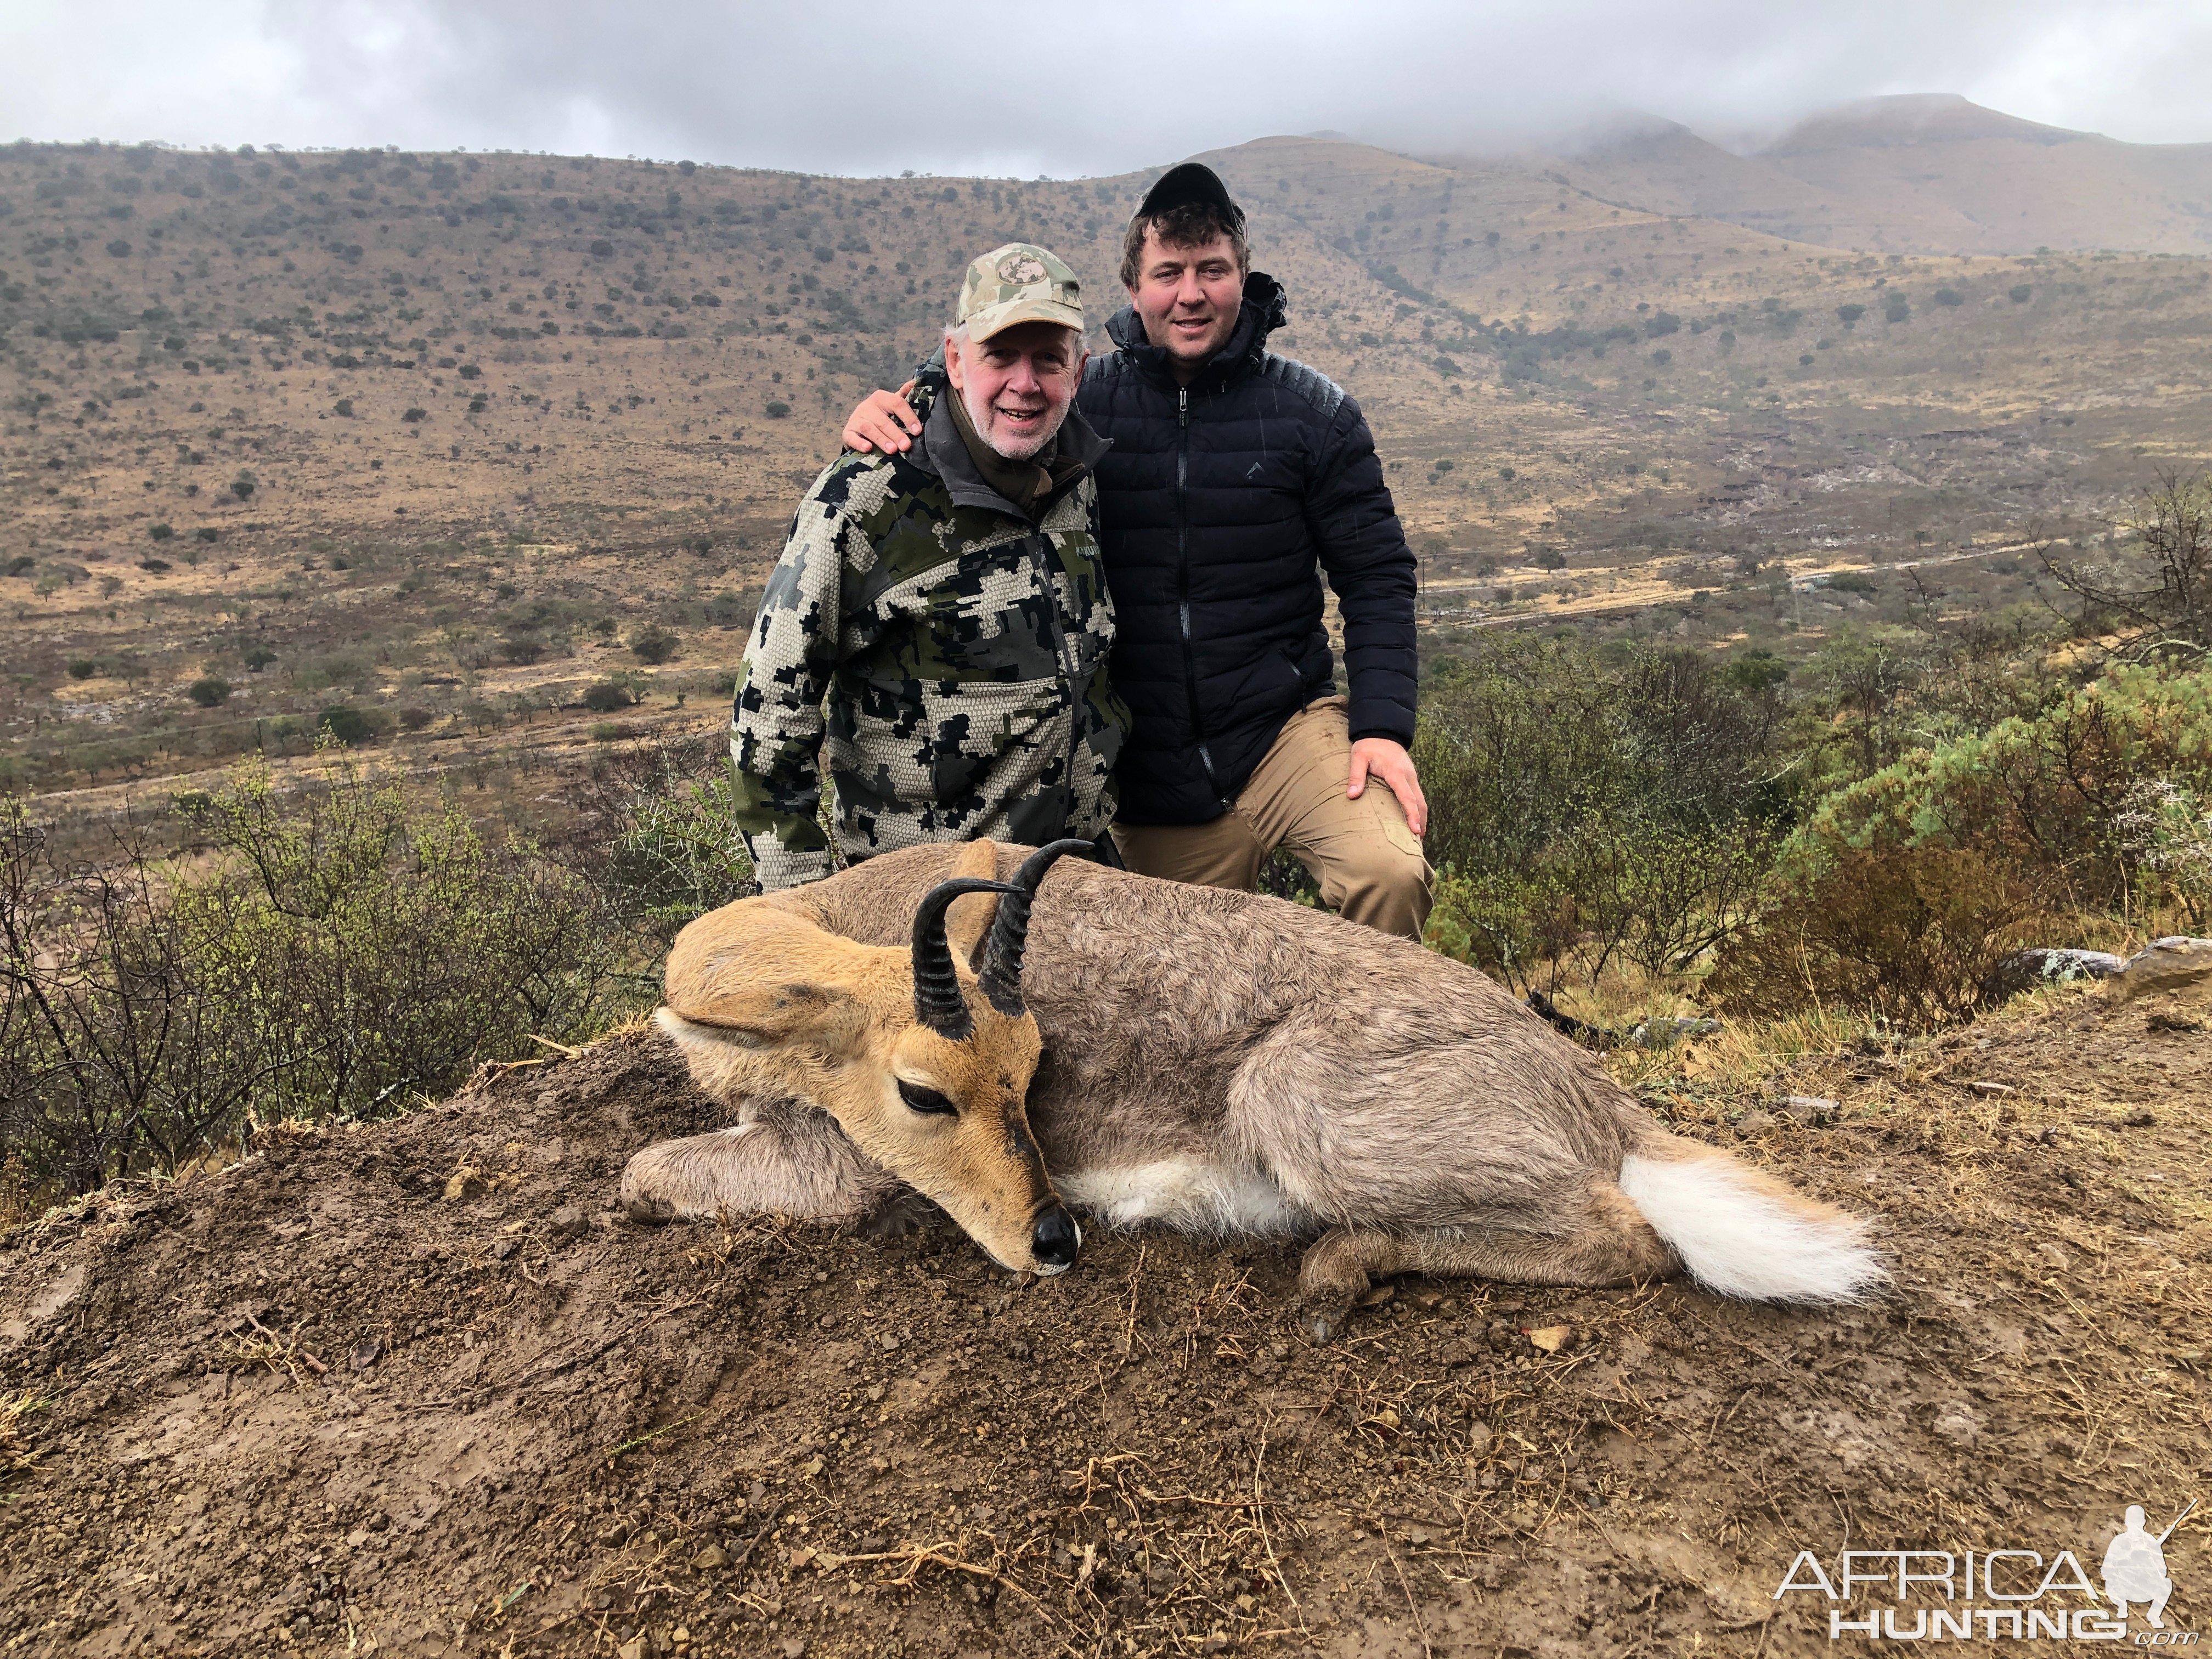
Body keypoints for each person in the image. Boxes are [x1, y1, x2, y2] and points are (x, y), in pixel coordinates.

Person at [844, 162, 1432, 939]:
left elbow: (1377, 576)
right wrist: (903, 404)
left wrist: (1383, 728)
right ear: (1133, 288)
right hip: (1152, 767)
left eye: (1212, 270)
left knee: (1387, 874)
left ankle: (1379, 1058)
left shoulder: (1314, 414)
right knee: (1186, 984)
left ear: (1242, 277)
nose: (1191, 293)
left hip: (1287, 729)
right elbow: (987, 393)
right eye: (1169, 273)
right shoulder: (1079, 405)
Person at [730, 242, 1127, 890]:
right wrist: (802, 910)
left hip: (1076, 875)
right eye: (1000, 355)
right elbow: (768, 711)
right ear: (956, 360)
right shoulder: (863, 501)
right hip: (926, 902)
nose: (1025, 385)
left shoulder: (1075, 473)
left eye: (1048, 360)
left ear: (1078, 372)